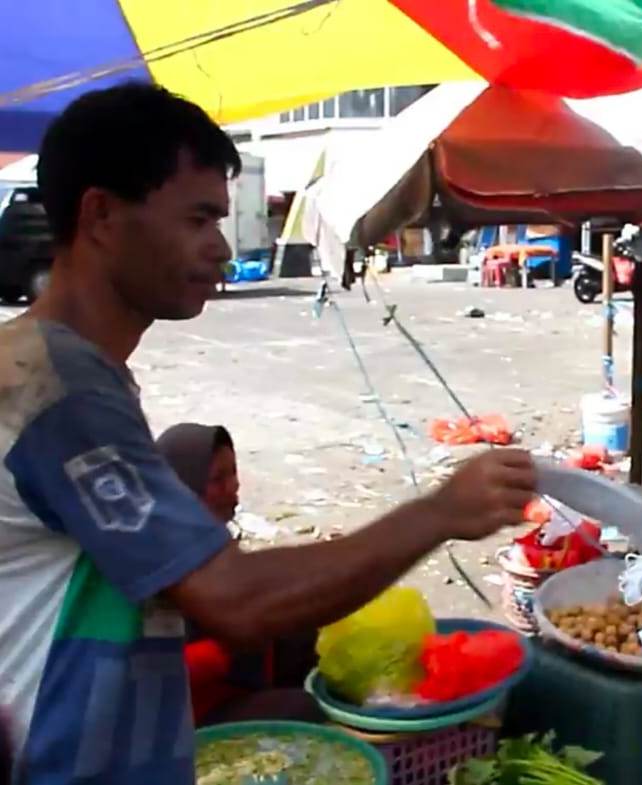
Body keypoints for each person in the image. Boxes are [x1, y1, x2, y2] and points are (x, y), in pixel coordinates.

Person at [0, 83, 536, 785]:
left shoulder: (60, 369)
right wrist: (440, 512)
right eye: (197, 219)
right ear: (101, 214)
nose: (221, 247)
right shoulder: (58, 385)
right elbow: (235, 600)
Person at [156, 423, 321, 726]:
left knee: (302, 626)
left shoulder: (213, 543)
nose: (233, 487)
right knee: (300, 709)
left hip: (235, 681)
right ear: (183, 488)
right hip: (187, 718)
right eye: (218, 479)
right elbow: (154, 671)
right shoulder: (156, 565)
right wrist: (222, 653)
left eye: (233, 473)